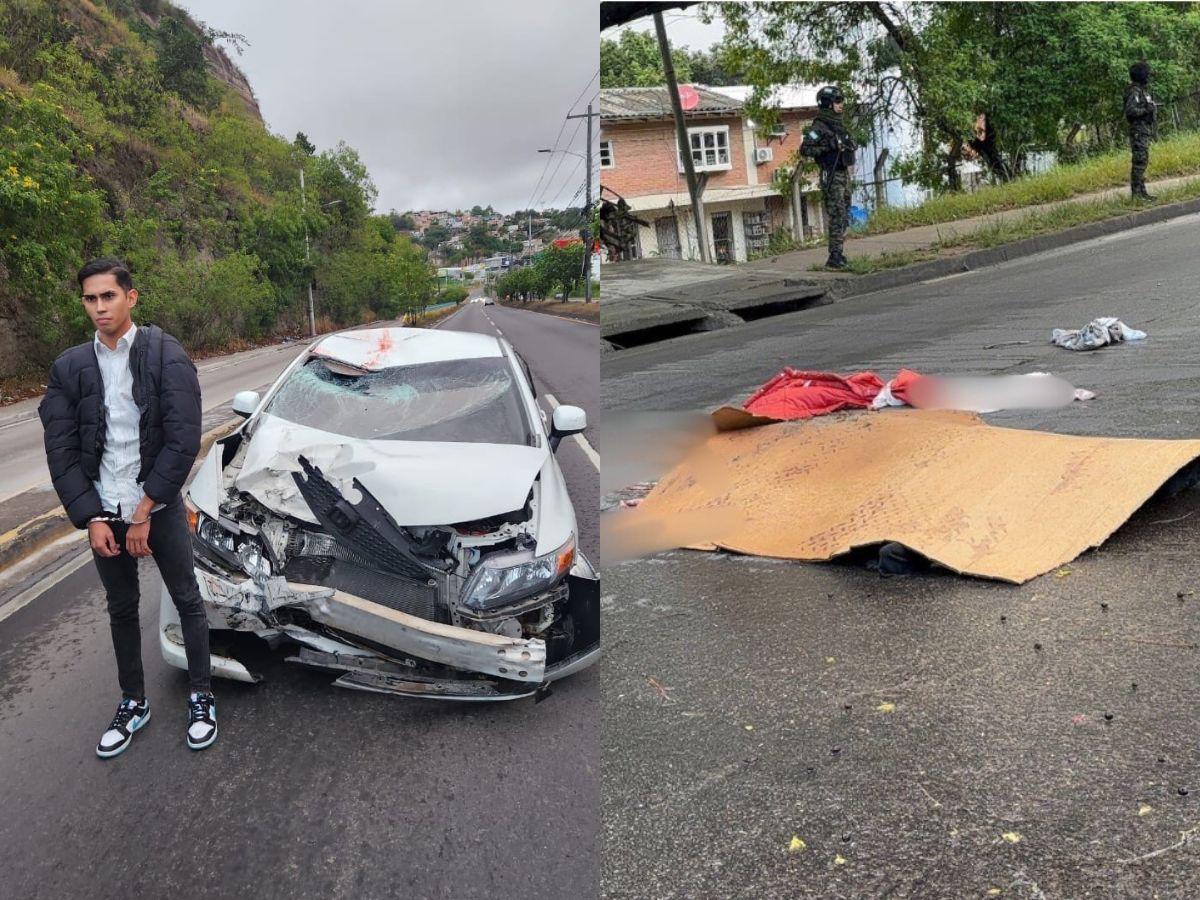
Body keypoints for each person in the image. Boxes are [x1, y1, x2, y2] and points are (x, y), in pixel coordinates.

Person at [38, 257, 217, 758]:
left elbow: (183, 440)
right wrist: (92, 517)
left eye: (108, 296)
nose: (99, 307)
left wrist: (145, 510)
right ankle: (133, 701)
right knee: (120, 609)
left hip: (155, 506)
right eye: (90, 299)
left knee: (187, 598)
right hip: (104, 510)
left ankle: (201, 695)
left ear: (130, 298)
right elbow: (62, 450)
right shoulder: (69, 367)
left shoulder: (167, 355)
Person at [801, 85, 858, 269]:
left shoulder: (838, 124)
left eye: (841, 101)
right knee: (837, 214)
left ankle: (838, 250)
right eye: (837, 101)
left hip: (843, 173)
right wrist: (829, 146)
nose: (841, 105)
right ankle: (835, 255)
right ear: (828, 104)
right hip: (831, 173)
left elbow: (847, 144)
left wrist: (849, 143)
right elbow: (805, 149)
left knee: (845, 213)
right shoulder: (819, 126)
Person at [1125, 61, 1157, 200]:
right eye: (1147, 74)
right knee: (1139, 162)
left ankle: (1142, 192)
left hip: (1144, 130)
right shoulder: (1134, 91)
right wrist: (1146, 110)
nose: (1148, 77)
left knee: (1142, 161)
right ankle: (1136, 194)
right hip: (1138, 131)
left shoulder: (1141, 91)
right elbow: (1130, 111)